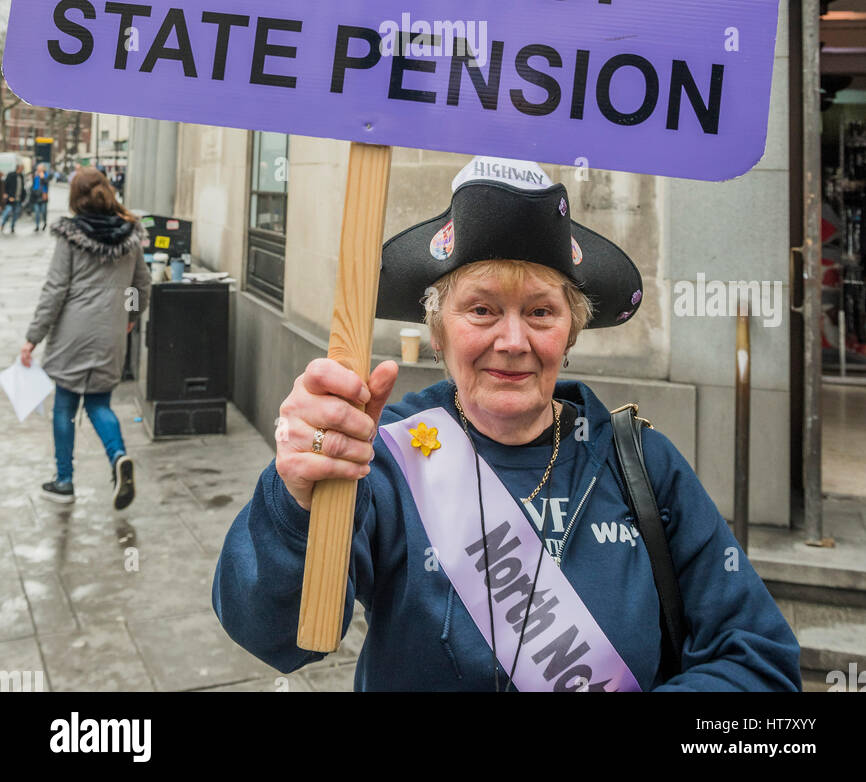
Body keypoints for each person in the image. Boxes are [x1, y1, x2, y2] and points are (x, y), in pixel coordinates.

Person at [212, 156, 801, 693]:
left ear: (570, 331)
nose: (513, 341)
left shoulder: (643, 465)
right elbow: (273, 635)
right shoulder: (382, 458)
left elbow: (759, 664)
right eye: (482, 309)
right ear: (438, 332)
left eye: (541, 311)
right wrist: (294, 494)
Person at [20, 166, 151, 509]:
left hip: (72, 335)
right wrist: (129, 318)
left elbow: (55, 291)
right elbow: (142, 286)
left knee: (65, 406)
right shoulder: (132, 234)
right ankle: (118, 456)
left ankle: (64, 481)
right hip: (110, 335)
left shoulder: (70, 235)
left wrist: (33, 337)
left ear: (75, 197)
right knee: (98, 404)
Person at [0, 162, 27, 234]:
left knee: (16, 214)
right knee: (7, 211)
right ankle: (2, 224)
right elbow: (5, 185)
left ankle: (12, 227)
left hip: (18, 199)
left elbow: (22, 187)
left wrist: (23, 197)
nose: (23, 169)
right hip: (10, 198)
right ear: (19, 168)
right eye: (22, 168)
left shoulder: (21, 176)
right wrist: (6, 195)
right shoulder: (11, 175)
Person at [30, 164, 49, 231]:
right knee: (37, 212)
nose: (38, 170)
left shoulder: (46, 175)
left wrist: (43, 177)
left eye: (40, 168)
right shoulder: (35, 175)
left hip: (43, 196)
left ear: (43, 169)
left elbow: (46, 184)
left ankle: (44, 223)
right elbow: (33, 185)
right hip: (36, 196)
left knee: (43, 212)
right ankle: (37, 226)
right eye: (38, 168)